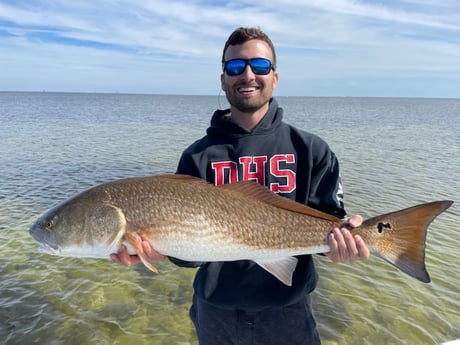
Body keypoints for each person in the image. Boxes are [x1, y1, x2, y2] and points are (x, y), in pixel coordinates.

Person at [111, 27, 370, 345]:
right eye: (235, 67)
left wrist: (344, 247)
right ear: (223, 79)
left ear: (275, 77)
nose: (247, 75)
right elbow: (188, 254)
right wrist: (154, 250)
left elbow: (331, 223)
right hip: (216, 313)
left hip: (289, 312)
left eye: (259, 66)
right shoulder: (197, 156)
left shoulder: (312, 149)